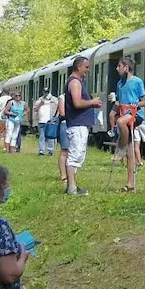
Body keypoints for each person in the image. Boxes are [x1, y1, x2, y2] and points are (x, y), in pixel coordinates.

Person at [63, 56, 100, 196]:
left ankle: (72, 185)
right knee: (75, 154)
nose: (87, 70)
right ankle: (71, 187)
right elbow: (77, 103)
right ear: (79, 67)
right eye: (86, 67)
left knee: (78, 155)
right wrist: (92, 102)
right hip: (77, 124)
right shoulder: (75, 83)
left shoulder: (76, 82)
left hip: (79, 124)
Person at [108, 57, 145, 192]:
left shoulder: (137, 82)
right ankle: (130, 183)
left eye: (119, 66)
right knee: (131, 151)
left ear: (126, 68)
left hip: (135, 114)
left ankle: (121, 147)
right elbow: (119, 102)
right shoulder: (120, 84)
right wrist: (114, 102)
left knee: (120, 121)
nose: (117, 68)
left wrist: (134, 104)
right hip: (124, 113)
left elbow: (144, 101)